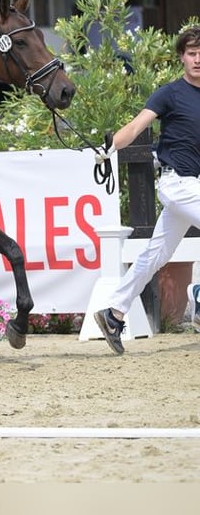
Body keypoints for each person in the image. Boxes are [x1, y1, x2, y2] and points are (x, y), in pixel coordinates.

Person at [95, 25, 200, 355]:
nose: (198, 59)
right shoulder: (169, 94)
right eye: (192, 53)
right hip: (177, 184)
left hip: (194, 186)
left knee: (155, 256)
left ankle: (113, 313)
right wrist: (108, 147)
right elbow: (136, 127)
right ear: (182, 57)